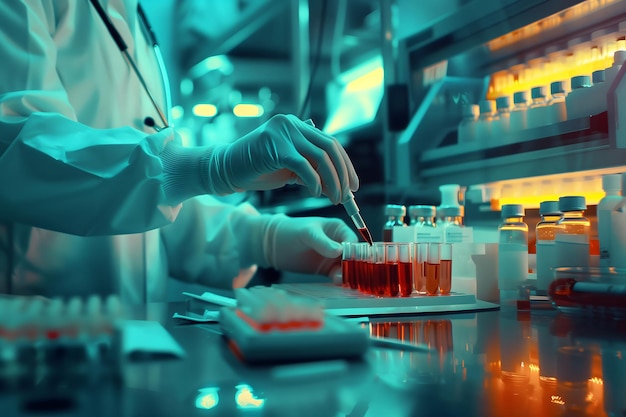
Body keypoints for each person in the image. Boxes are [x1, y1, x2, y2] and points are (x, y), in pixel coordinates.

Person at [0, 0, 359, 302]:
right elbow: (20, 151)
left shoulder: (134, 20)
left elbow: (151, 207)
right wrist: (211, 167)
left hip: (141, 334)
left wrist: (264, 237)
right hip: (39, 327)